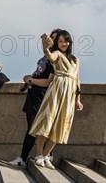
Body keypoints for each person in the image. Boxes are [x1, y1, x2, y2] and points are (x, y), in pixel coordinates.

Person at [29, 30, 83, 169]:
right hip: (57, 91)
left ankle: (46, 155)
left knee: (61, 125)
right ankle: (39, 155)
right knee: (47, 121)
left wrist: (78, 99)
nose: (64, 43)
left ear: (70, 42)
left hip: (69, 95)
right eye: (60, 41)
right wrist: (46, 48)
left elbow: (77, 81)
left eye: (66, 41)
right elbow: (51, 58)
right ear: (57, 44)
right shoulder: (58, 54)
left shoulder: (76, 60)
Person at [9, 29, 60, 168]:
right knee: (32, 128)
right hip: (33, 94)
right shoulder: (45, 57)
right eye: (51, 37)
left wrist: (30, 80)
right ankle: (38, 156)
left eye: (55, 38)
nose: (52, 40)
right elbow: (38, 73)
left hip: (42, 97)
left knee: (35, 128)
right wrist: (26, 84)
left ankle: (35, 157)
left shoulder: (56, 59)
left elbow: (48, 82)